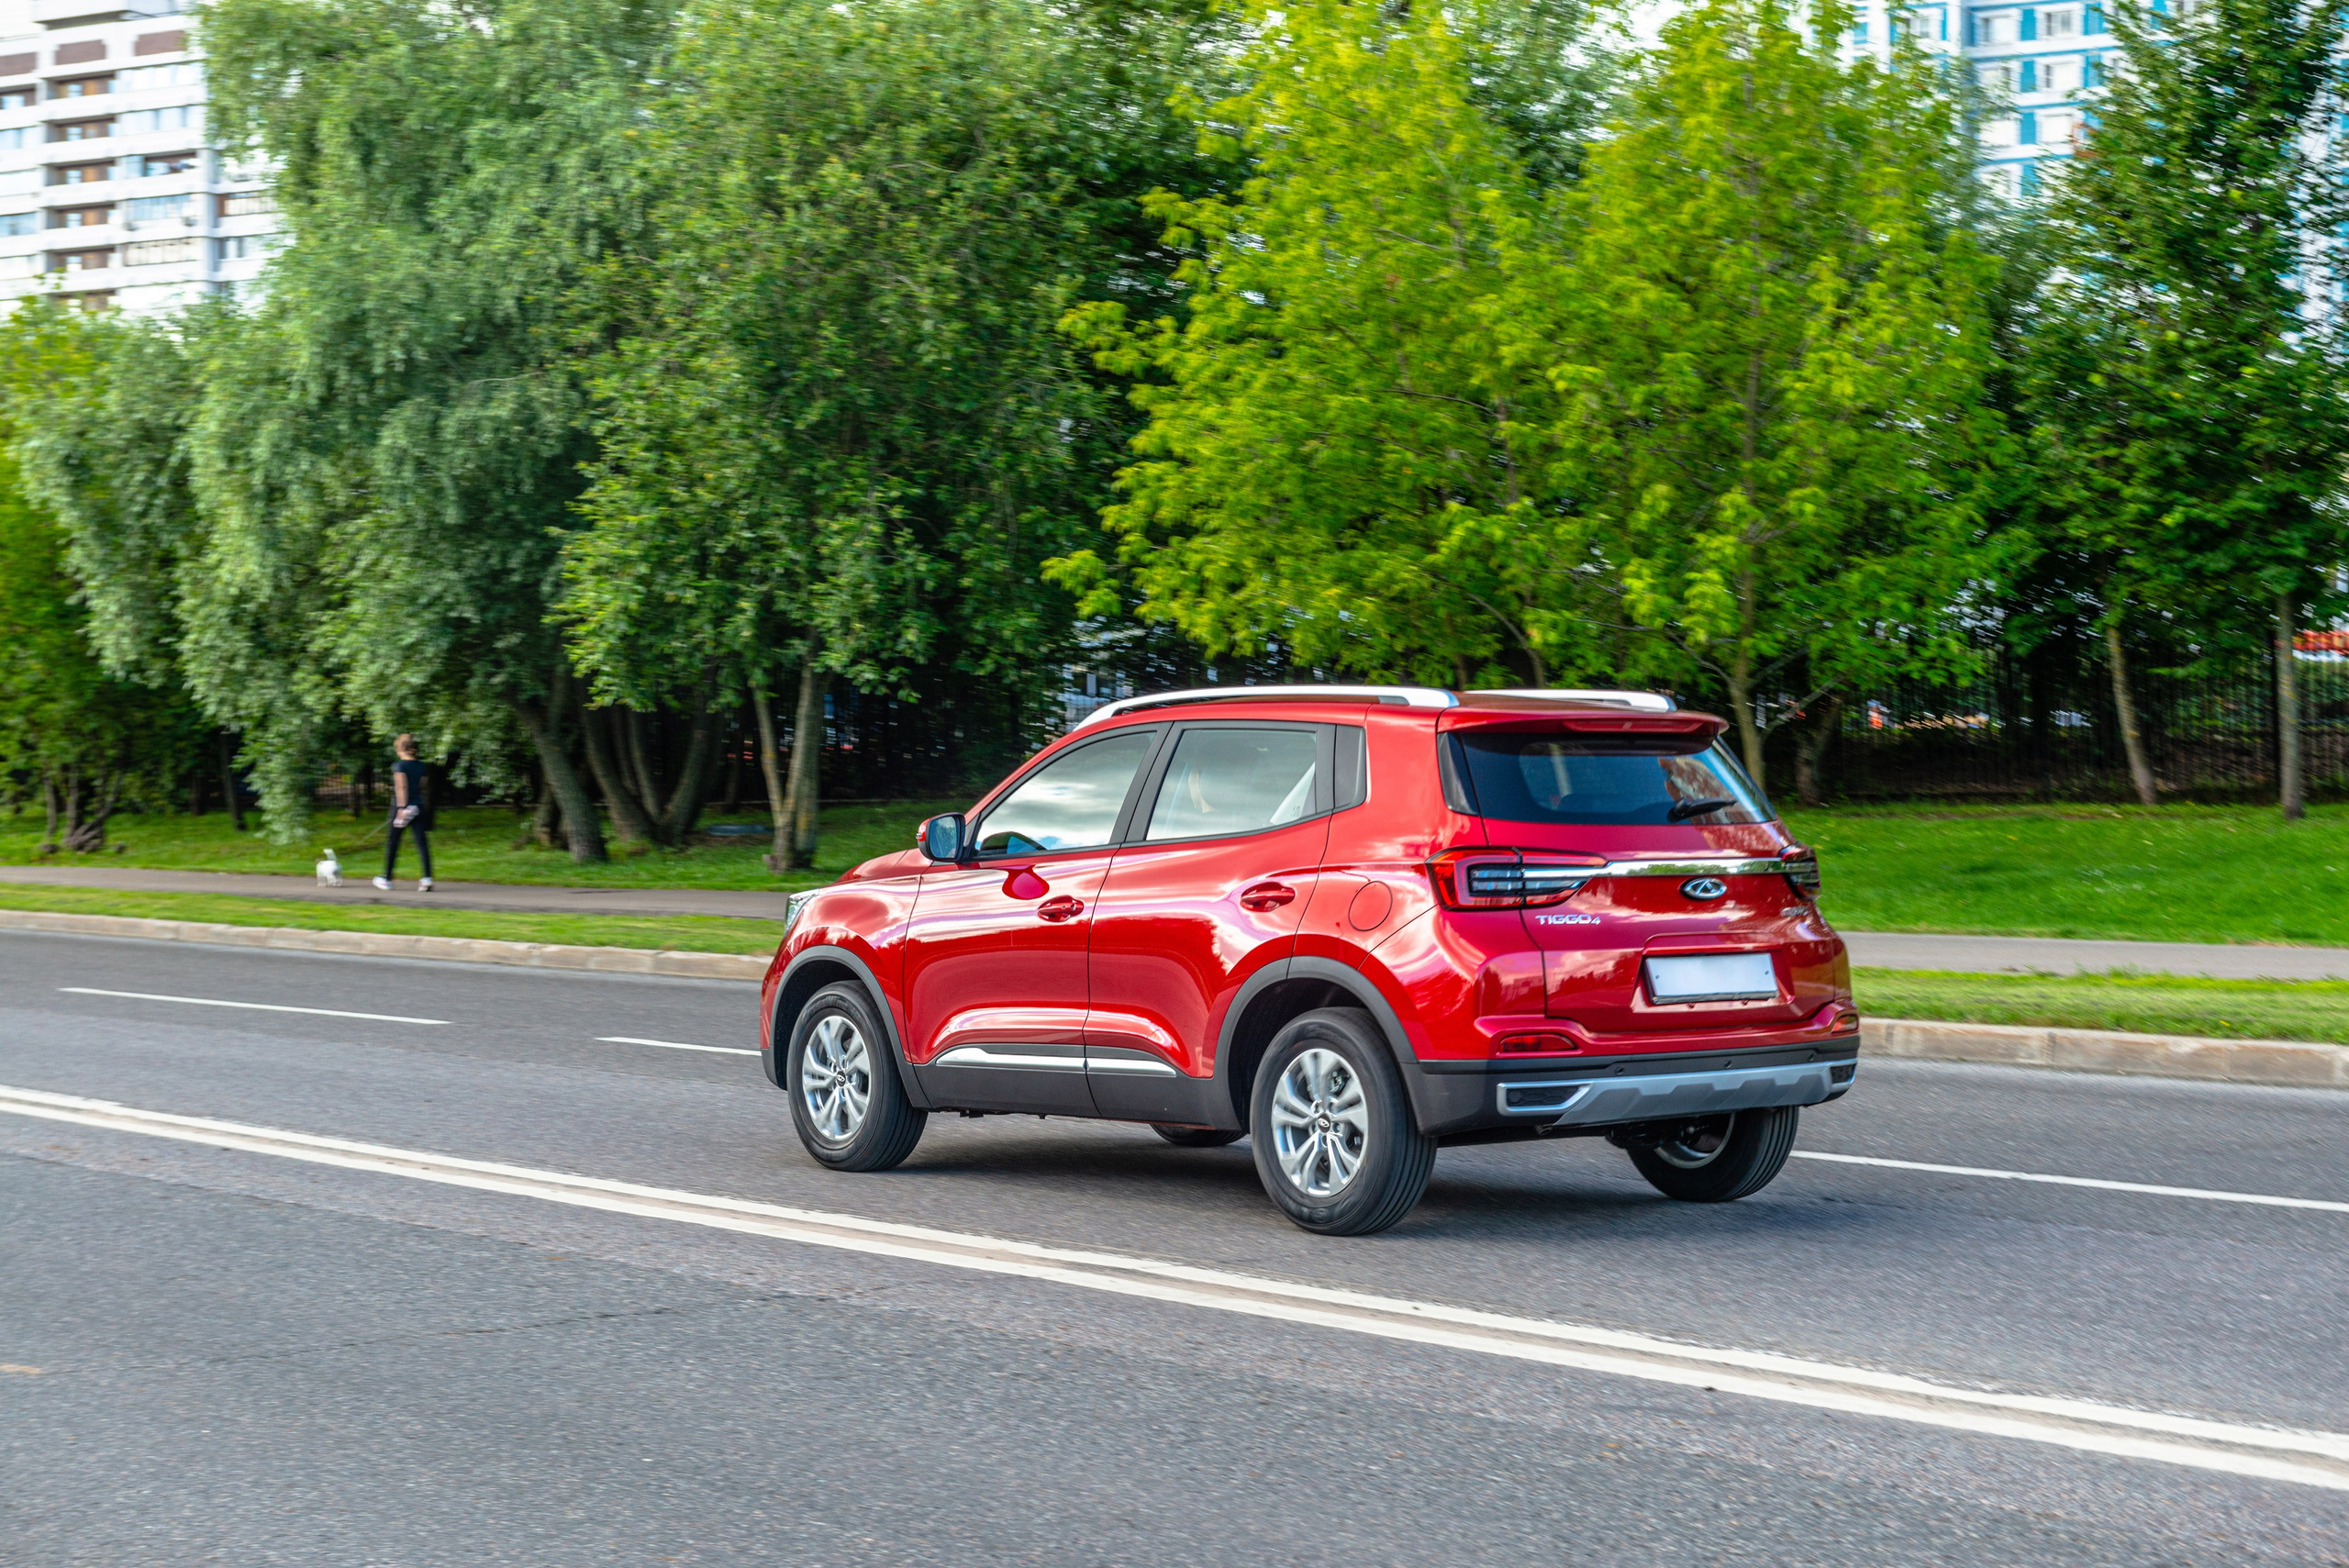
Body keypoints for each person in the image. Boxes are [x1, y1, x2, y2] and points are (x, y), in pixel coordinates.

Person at [373, 734, 434, 892]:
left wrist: (401, 808)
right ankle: (426, 879)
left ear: (401, 748)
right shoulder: (422, 766)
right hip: (418, 807)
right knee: (422, 844)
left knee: (393, 843)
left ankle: (386, 879)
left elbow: (402, 787)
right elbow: (422, 787)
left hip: (402, 808)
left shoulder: (399, 766)